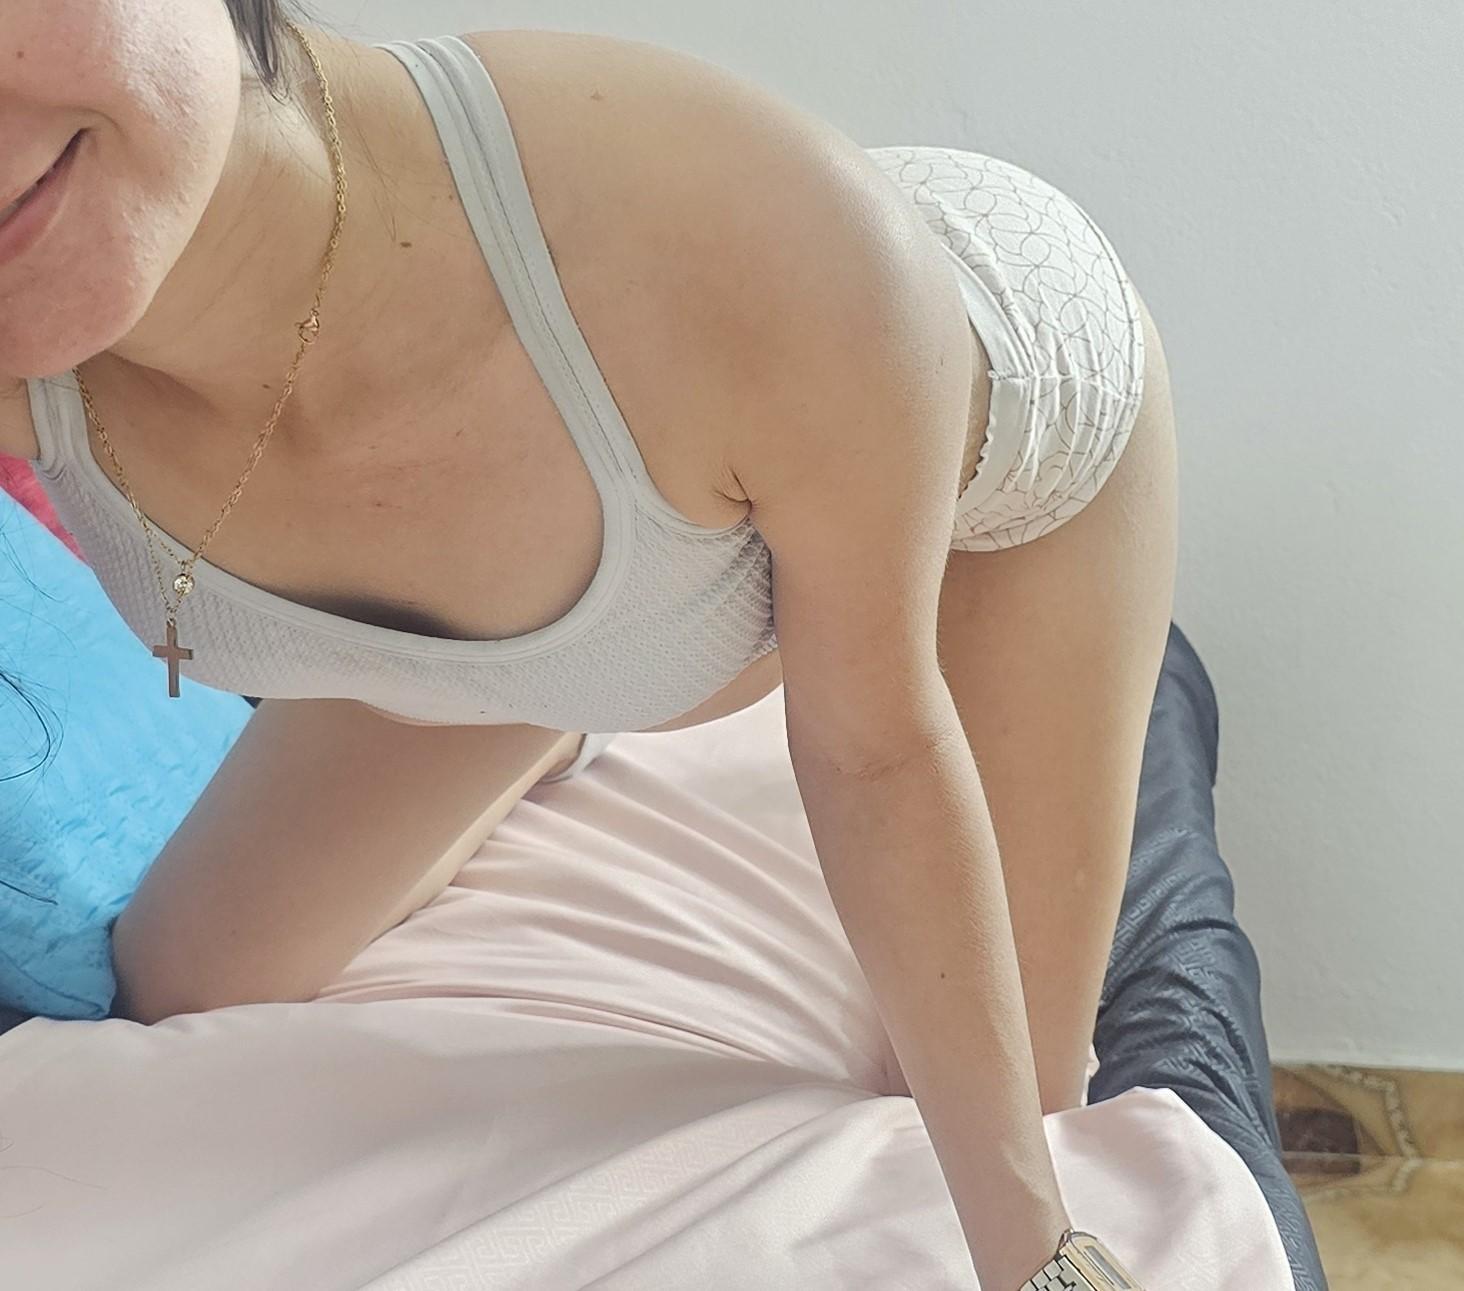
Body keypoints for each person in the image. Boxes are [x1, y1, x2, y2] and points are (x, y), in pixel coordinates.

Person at [0, 5, 1177, 1288]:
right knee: (189, 973)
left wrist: (1038, 1258)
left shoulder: (742, 235)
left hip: (998, 424)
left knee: (973, 1108)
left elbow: (876, 754)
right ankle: (569, 693)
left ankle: (611, 655)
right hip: (654, 467)